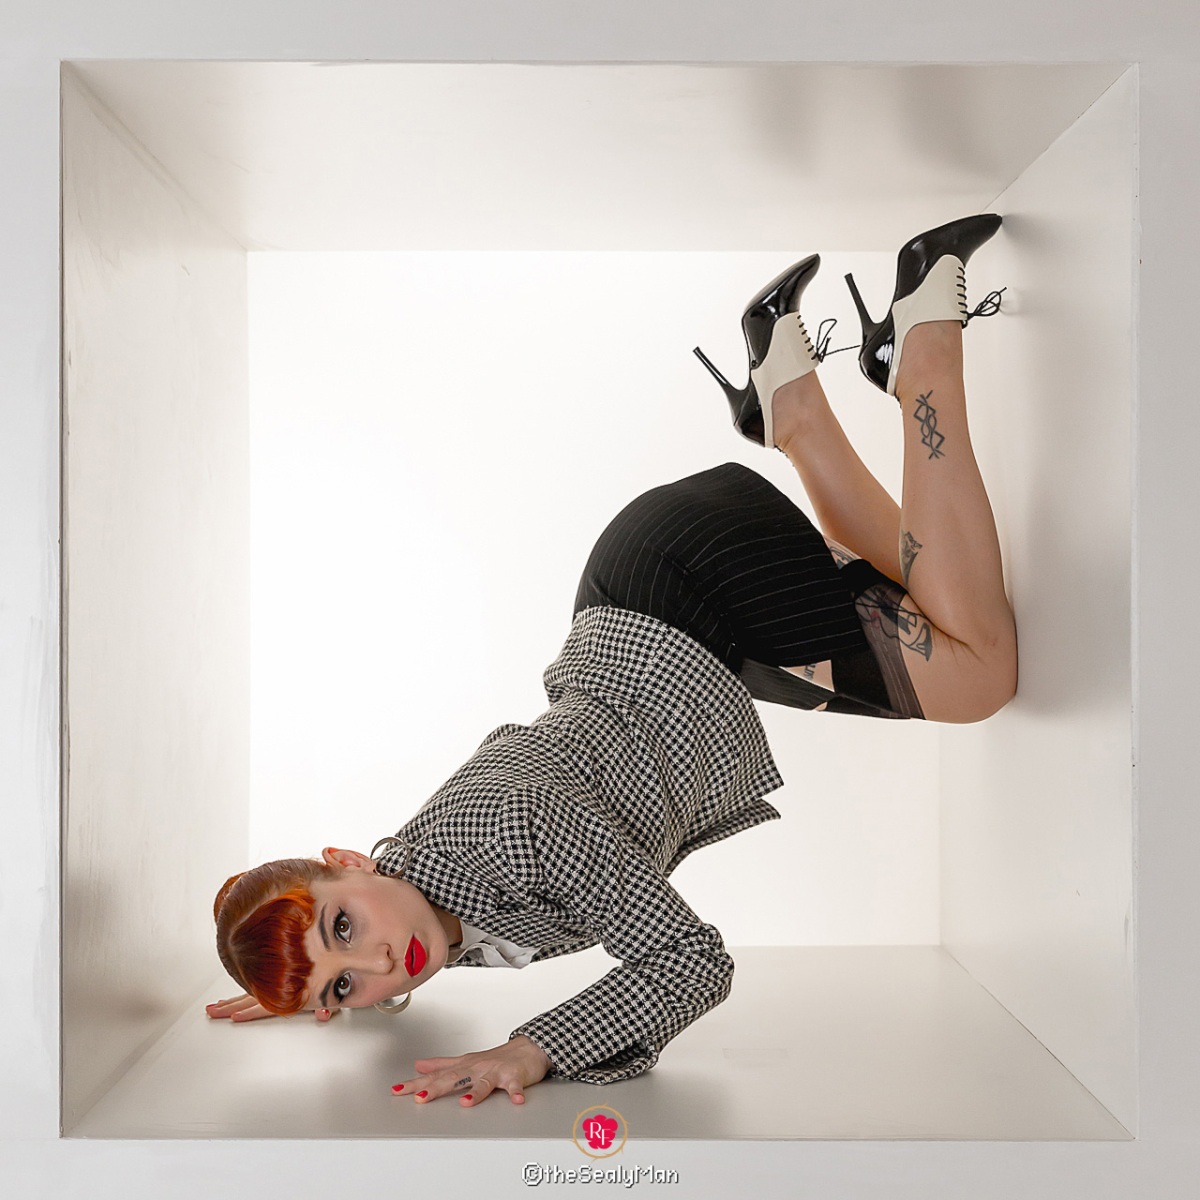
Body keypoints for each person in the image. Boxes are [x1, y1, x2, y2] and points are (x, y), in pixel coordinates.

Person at [207, 214, 1017, 1109]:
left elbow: (689, 960)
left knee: (977, 673)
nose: (375, 963)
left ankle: (923, 347)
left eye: (341, 927)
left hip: (686, 587)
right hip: (660, 634)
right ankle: (784, 395)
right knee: (922, 600)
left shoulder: (508, 832)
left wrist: (533, 1049)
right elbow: (381, 955)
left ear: (347, 859)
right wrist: (292, 985)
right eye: (342, 988)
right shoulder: (422, 896)